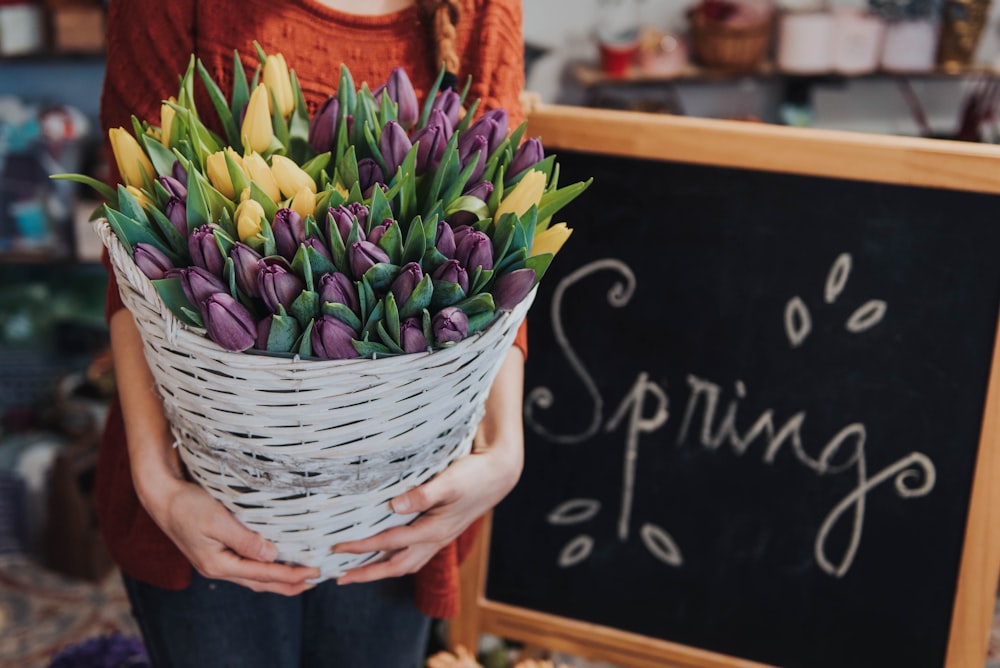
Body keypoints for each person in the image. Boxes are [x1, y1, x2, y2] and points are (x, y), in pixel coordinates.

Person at [96, 1, 528, 665]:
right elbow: (129, 249)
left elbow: (502, 239)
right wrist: (159, 487)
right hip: (203, 486)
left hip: (399, 493)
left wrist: (505, 452)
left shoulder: (478, 8)